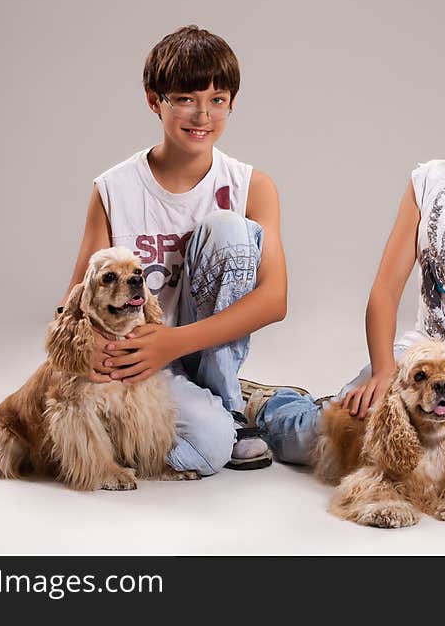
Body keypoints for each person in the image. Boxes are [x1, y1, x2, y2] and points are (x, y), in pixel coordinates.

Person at [252, 46, 445, 473]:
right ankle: (266, 403)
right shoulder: (431, 184)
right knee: (324, 439)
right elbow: (384, 291)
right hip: (418, 365)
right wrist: (385, 373)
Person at [57, 25, 288, 474]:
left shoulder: (251, 186)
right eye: (184, 99)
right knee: (210, 450)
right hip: (140, 357)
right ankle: (227, 412)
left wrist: (174, 342)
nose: (202, 115)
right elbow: (77, 294)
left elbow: (274, 299)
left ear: (231, 103)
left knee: (227, 228)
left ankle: (229, 402)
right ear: (153, 100)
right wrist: (89, 356)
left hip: (198, 349)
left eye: (216, 100)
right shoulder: (114, 189)